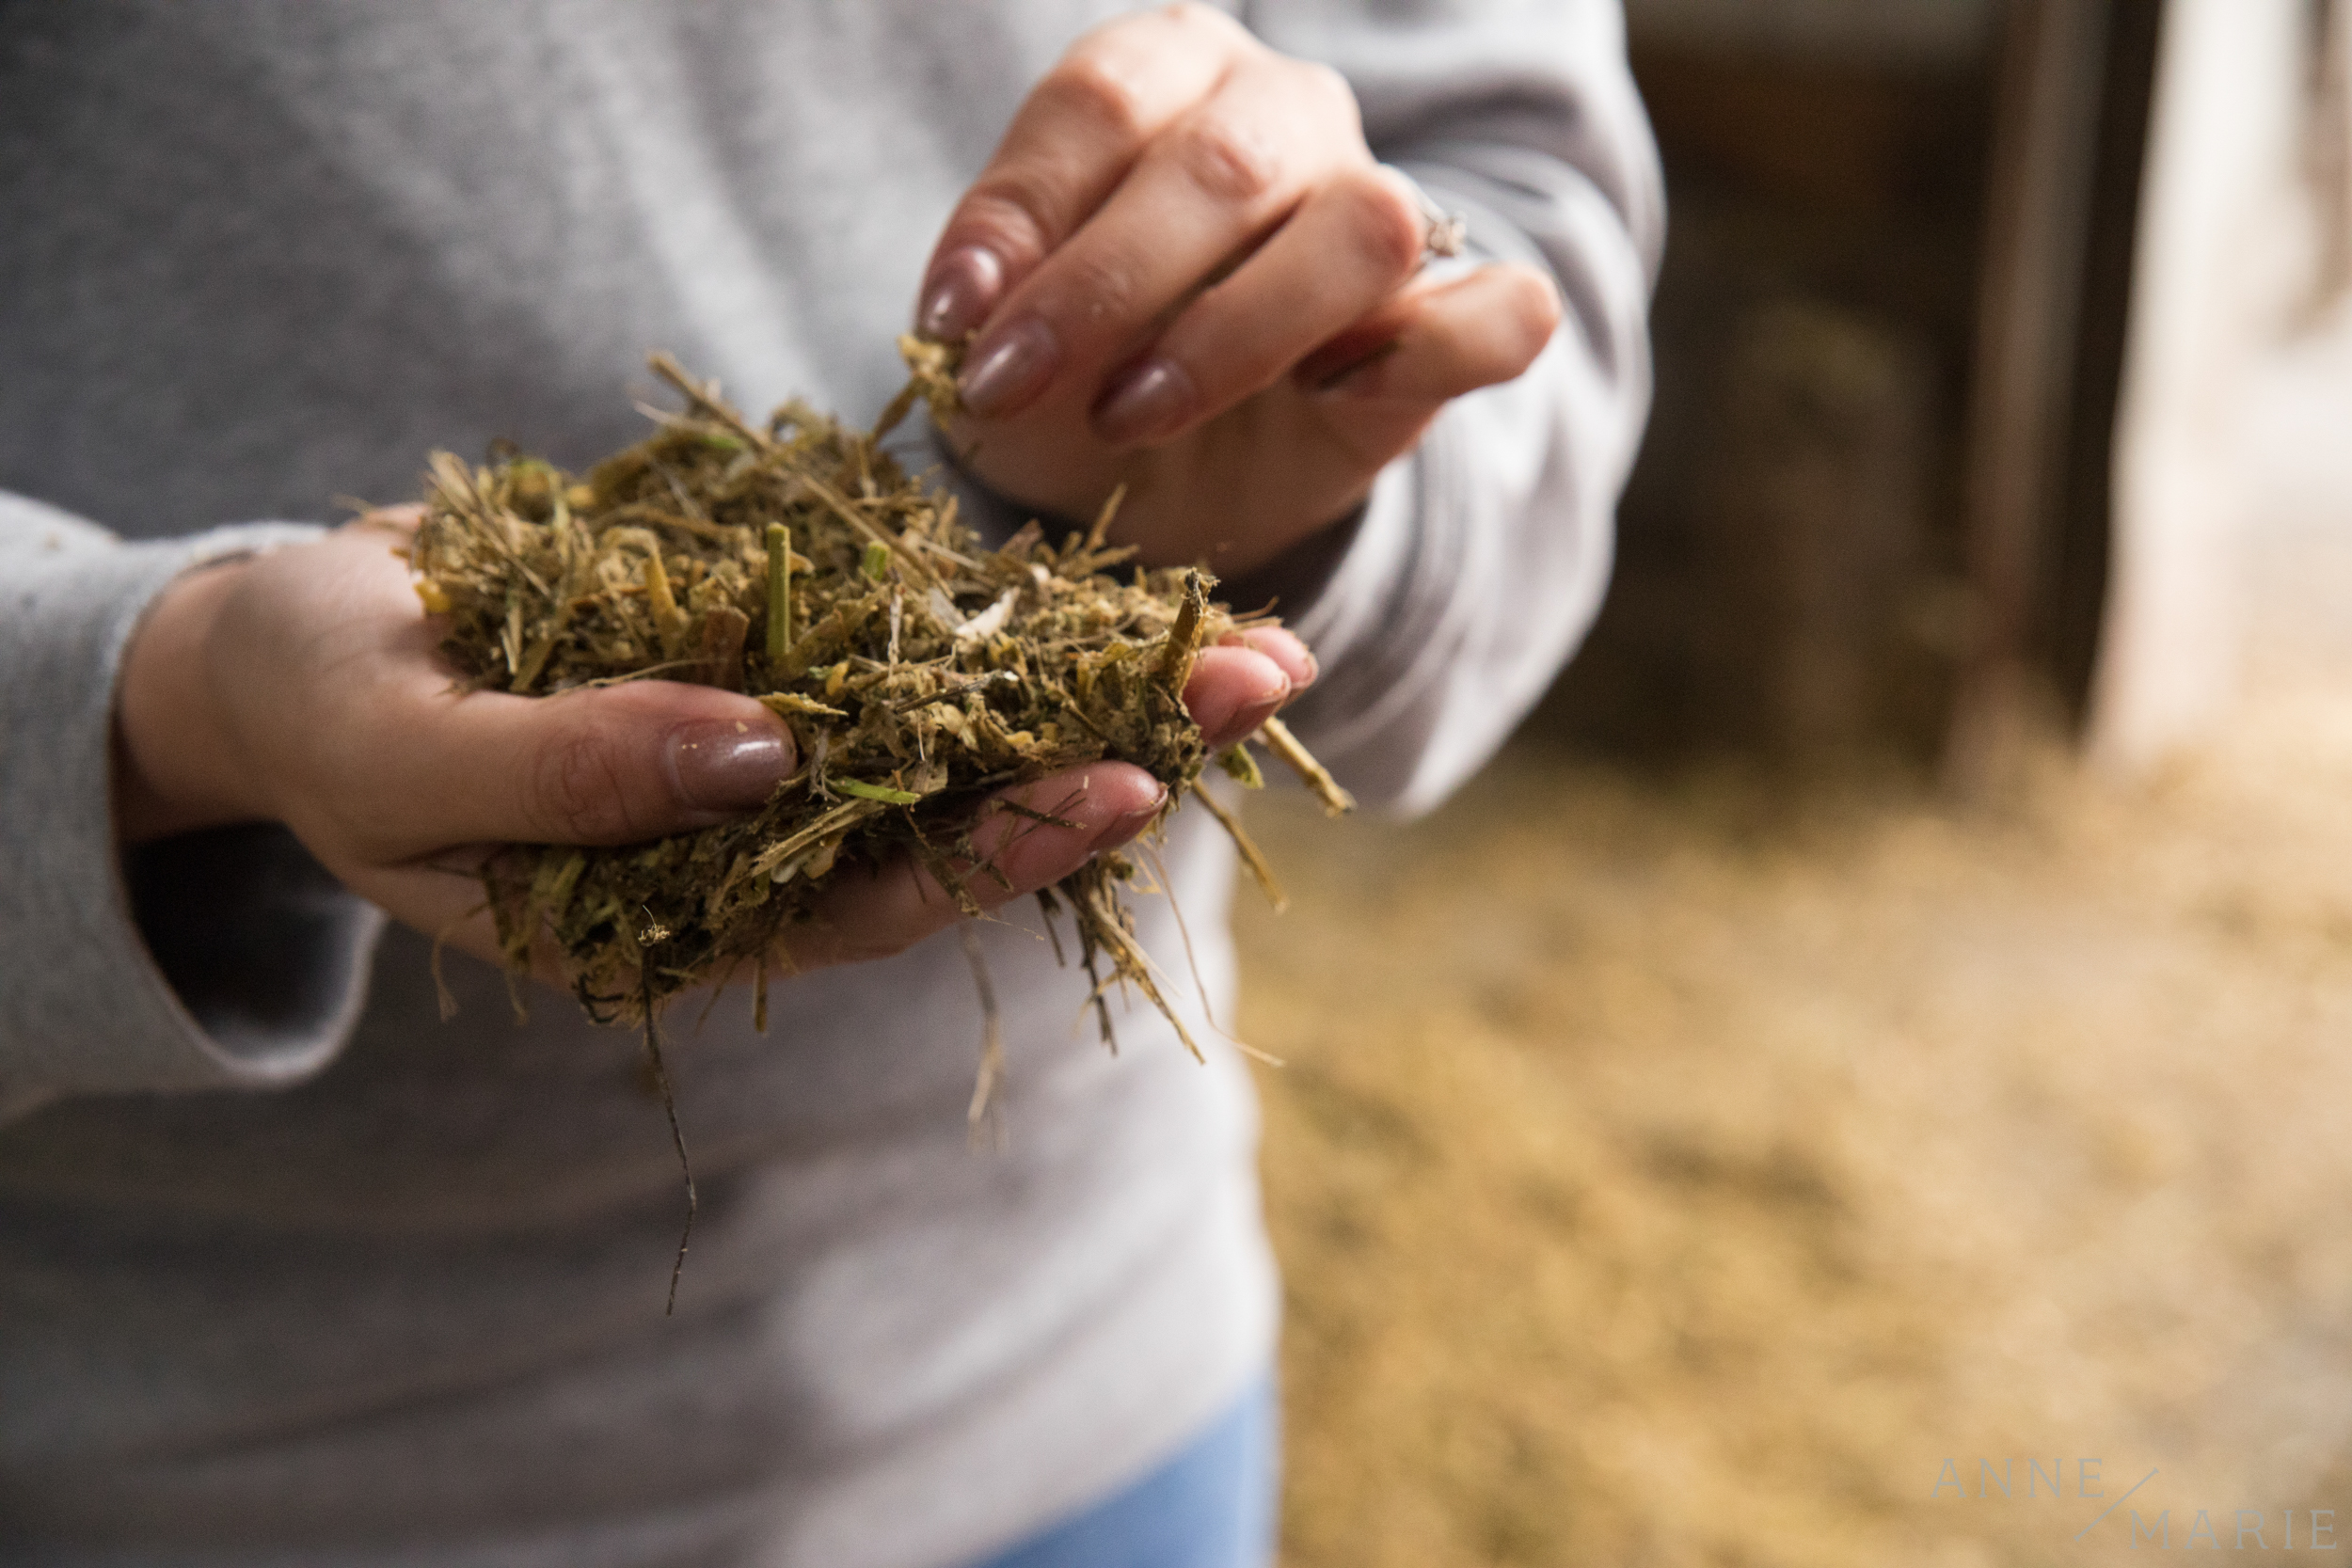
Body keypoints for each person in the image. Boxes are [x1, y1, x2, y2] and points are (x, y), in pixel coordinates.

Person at [0, 3, 1660, 1564]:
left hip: (1068, 1386)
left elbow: (1513, 213)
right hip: (189, 1478)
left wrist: (1310, 419)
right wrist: (153, 692)